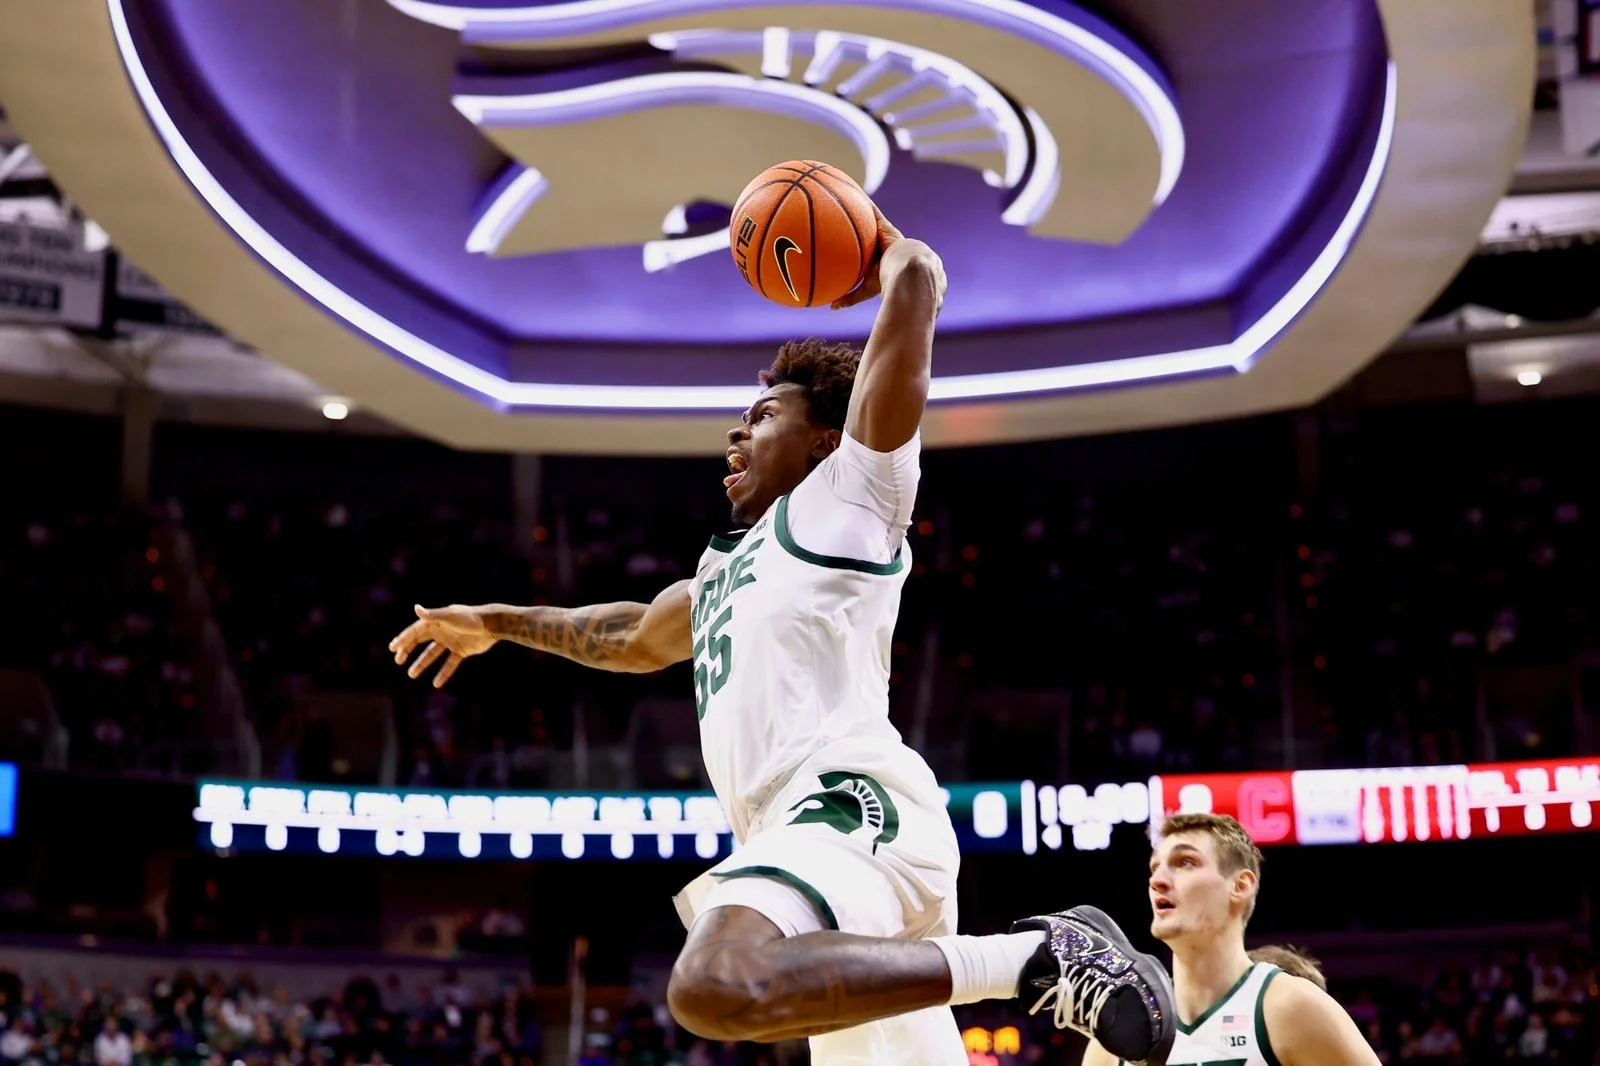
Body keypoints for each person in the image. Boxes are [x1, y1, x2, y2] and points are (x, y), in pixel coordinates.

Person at [390, 205, 1175, 1065]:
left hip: (847, 806)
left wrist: (889, 252)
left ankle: (1035, 958)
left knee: (714, 984)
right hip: (806, 842)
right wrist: (494, 624)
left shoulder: (848, 500)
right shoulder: (718, 574)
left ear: (825, 443)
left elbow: (916, 287)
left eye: (764, 415)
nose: (739, 430)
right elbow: (626, 636)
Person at [1081, 813, 1378, 1066]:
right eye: (1155, 867)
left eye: (1185, 862)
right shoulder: (1115, 1037)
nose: (1157, 881)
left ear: (1240, 885)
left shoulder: (1290, 1006)